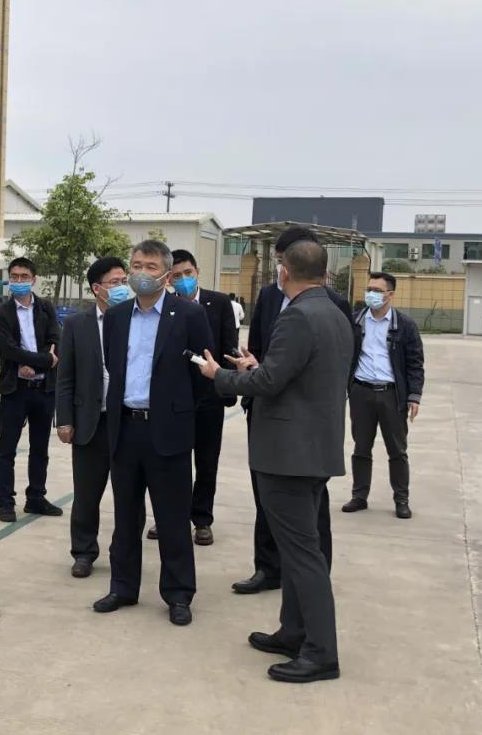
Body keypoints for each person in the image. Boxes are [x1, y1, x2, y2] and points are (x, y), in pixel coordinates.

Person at [199, 238, 353, 683]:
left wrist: (220, 375)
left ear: (284, 271)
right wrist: (256, 367)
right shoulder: (335, 312)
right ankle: (293, 632)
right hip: (313, 448)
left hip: (289, 454)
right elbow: (297, 376)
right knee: (297, 549)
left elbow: (268, 383)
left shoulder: (298, 316)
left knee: (303, 556)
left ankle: (321, 653)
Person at [93, 240, 214, 627]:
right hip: (125, 427)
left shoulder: (189, 315)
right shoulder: (117, 317)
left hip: (168, 430)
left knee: (172, 518)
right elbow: (113, 365)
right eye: (136, 265)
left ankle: (178, 593)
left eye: (150, 266)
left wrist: (176, 410)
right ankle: (123, 587)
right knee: (126, 516)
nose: (141, 273)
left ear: (165, 274)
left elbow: (202, 376)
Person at [232, 227, 352, 595]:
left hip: (305, 426)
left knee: (310, 509)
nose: (279, 269)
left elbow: (338, 365)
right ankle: (268, 569)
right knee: (267, 497)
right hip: (266, 411)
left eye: (282, 261)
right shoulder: (269, 296)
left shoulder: (333, 304)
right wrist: (253, 369)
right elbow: (260, 346)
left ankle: (313, 573)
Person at [147, 249, 238, 546]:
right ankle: (170, 517)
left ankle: (202, 519)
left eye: (188, 273)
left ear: (197, 272)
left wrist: (226, 385)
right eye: (176, 276)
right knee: (173, 461)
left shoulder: (219, 303)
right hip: (175, 399)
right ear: (168, 279)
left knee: (207, 461)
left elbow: (229, 346)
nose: (183, 279)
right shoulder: (164, 307)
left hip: (210, 396)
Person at [55, 257, 128, 578]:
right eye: (115, 282)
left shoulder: (135, 318)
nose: (122, 287)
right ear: (97, 289)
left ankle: (124, 553)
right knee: (86, 495)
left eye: (124, 281)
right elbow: (66, 376)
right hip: (90, 421)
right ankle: (83, 552)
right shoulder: (76, 324)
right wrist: (64, 419)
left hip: (128, 422)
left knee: (128, 495)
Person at [342, 272, 425, 519]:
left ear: (390, 295)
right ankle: (359, 496)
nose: (371, 294)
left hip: (392, 395)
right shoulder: (355, 321)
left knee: (397, 450)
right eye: (369, 289)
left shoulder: (405, 325)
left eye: (377, 291)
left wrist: (414, 396)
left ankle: (401, 499)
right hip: (361, 392)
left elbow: (415, 363)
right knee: (361, 447)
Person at [0, 257, 62, 522]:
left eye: (24, 276)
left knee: (40, 448)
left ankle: (36, 498)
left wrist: (35, 363)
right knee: (7, 448)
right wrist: (42, 360)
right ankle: (5, 501)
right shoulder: (1, 313)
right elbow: (8, 349)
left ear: (34, 280)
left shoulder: (45, 308)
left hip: (43, 388)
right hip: (15, 389)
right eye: (14, 276)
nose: (19, 281)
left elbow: (56, 340)